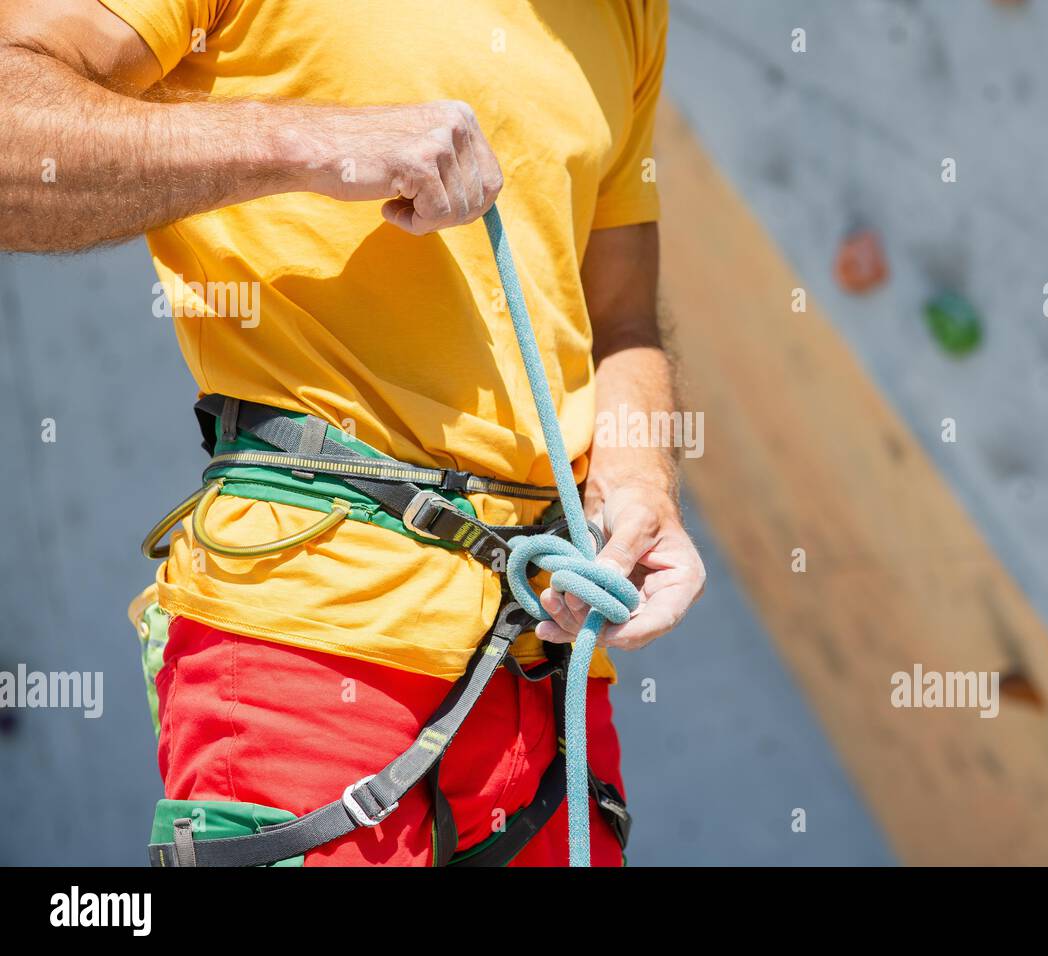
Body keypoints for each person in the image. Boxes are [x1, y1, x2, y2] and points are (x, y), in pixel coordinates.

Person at [0, 0, 705, 866]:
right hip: (309, 628)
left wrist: (640, 484)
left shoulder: (626, 12)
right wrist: (310, 142)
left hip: (546, 670)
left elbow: (622, 315)